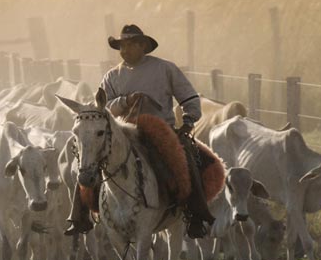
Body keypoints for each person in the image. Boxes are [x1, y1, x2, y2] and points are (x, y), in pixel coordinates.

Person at [64, 24, 215, 239]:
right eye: (122, 46)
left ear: (143, 46)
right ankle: (79, 216)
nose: (125, 50)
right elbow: (102, 109)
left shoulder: (165, 68)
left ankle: (196, 215)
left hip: (160, 130)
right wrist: (126, 100)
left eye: (131, 45)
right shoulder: (112, 76)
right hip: (122, 134)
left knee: (186, 160)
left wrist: (189, 120)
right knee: (87, 162)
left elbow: (189, 97)